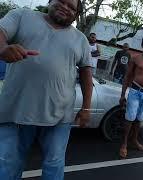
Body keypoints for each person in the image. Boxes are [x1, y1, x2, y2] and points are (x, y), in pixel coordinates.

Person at [0, 0, 93, 179]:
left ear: (76, 15)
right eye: (62, 1)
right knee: (8, 163)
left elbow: (86, 74)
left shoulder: (80, 39)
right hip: (16, 111)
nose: (66, 7)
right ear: (50, 1)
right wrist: (3, 48)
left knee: (54, 164)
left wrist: (86, 108)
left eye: (72, 7)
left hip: (59, 115)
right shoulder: (22, 16)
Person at [119, 35, 143, 158]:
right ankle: (124, 144)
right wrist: (122, 95)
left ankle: (134, 140)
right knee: (130, 118)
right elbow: (127, 77)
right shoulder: (135, 58)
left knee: (139, 119)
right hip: (135, 91)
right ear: (142, 45)